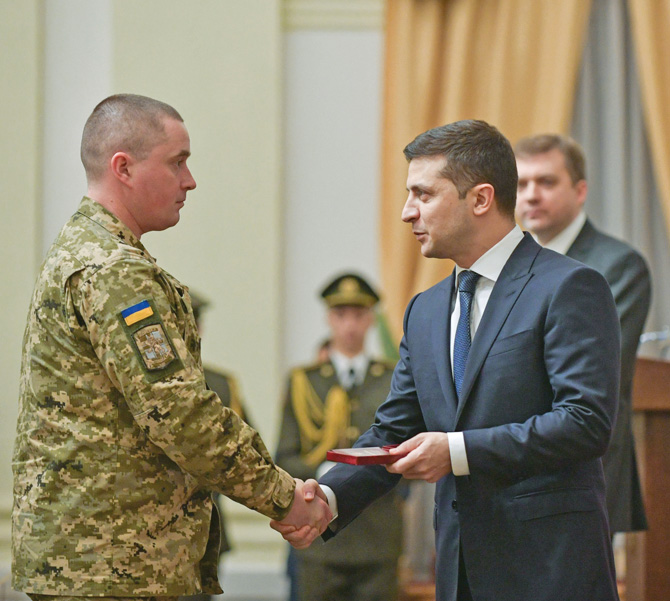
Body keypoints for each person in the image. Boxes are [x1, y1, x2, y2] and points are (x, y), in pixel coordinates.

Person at [272, 120, 622, 601]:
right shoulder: (425, 308)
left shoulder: (568, 287)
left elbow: (585, 423)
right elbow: (394, 429)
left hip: (549, 568)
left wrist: (456, 452)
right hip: (459, 572)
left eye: (423, 194)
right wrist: (330, 499)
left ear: (479, 199)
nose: (405, 212)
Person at [12, 93, 330, 599]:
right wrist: (284, 497)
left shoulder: (81, 250)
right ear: (124, 168)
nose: (190, 180)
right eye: (177, 162)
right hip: (114, 567)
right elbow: (180, 416)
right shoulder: (115, 270)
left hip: (96, 559)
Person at [515, 133, 651, 535]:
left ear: (580, 190)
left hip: (579, 473)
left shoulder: (618, 266)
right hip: (511, 467)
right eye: (522, 184)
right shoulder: (507, 266)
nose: (532, 195)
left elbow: (590, 376)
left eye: (547, 181)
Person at [275, 273, 403, 601]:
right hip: (320, 543)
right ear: (328, 318)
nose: (350, 325)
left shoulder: (393, 378)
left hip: (378, 536)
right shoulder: (304, 381)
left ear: (371, 319)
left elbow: (405, 450)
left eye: (359, 315)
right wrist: (325, 477)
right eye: (341, 315)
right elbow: (284, 455)